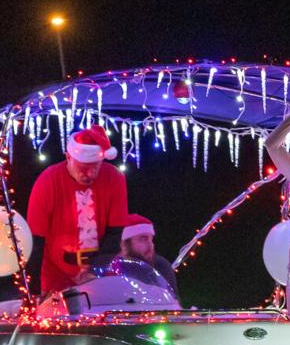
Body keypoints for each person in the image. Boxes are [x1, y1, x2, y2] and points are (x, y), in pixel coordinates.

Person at [24, 125, 129, 294]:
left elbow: (115, 233)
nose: (90, 174)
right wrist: (34, 291)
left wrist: (95, 270)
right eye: (83, 168)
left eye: (95, 166)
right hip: (55, 274)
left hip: (101, 268)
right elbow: (35, 242)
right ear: (68, 157)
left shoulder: (114, 178)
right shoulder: (48, 181)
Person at [117, 214, 177, 294]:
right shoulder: (111, 269)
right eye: (143, 239)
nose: (151, 245)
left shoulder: (161, 266)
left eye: (151, 239)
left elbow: (173, 303)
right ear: (124, 244)